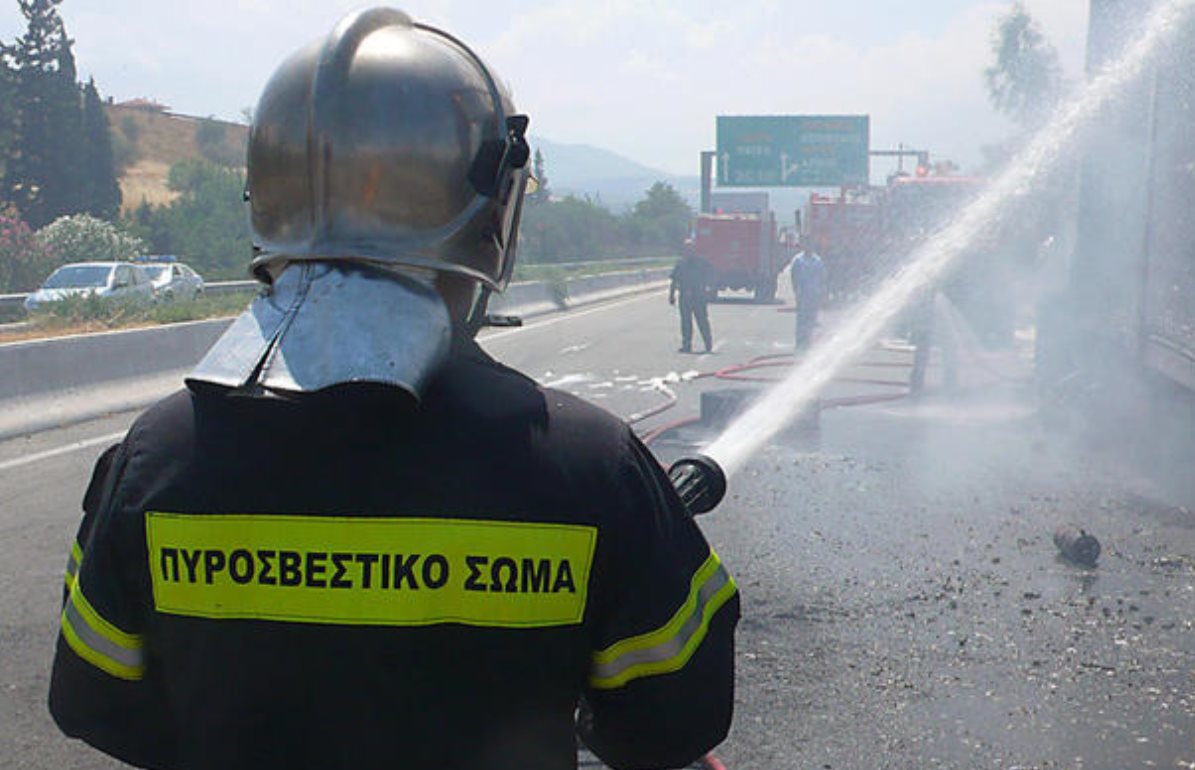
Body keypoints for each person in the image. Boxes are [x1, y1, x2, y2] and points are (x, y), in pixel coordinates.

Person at [46, 9, 738, 770]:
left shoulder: (155, 456)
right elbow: (677, 720)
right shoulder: (592, 464)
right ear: (495, 206)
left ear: (266, 197)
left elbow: (93, 699)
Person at [669, 239, 714, 353]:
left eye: (690, 248)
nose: (688, 251)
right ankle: (687, 345)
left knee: (702, 320)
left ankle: (708, 343)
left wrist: (709, 288)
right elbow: (674, 280)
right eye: (686, 249)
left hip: (699, 297)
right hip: (685, 297)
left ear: (694, 249)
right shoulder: (681, 264)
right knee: (686, 322)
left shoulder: (702, 262)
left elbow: (712, 275)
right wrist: (672, 295)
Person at [789, 245, 826, 350]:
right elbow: (794, 275)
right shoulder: (798, 260)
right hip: (803, 293)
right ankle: (800, 340)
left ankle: (808, 340)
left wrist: (821, 291)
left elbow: (822, 276)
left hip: (814, 293)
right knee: (801, 318)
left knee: (811, 317)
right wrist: (796, 289)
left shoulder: (817, 260)